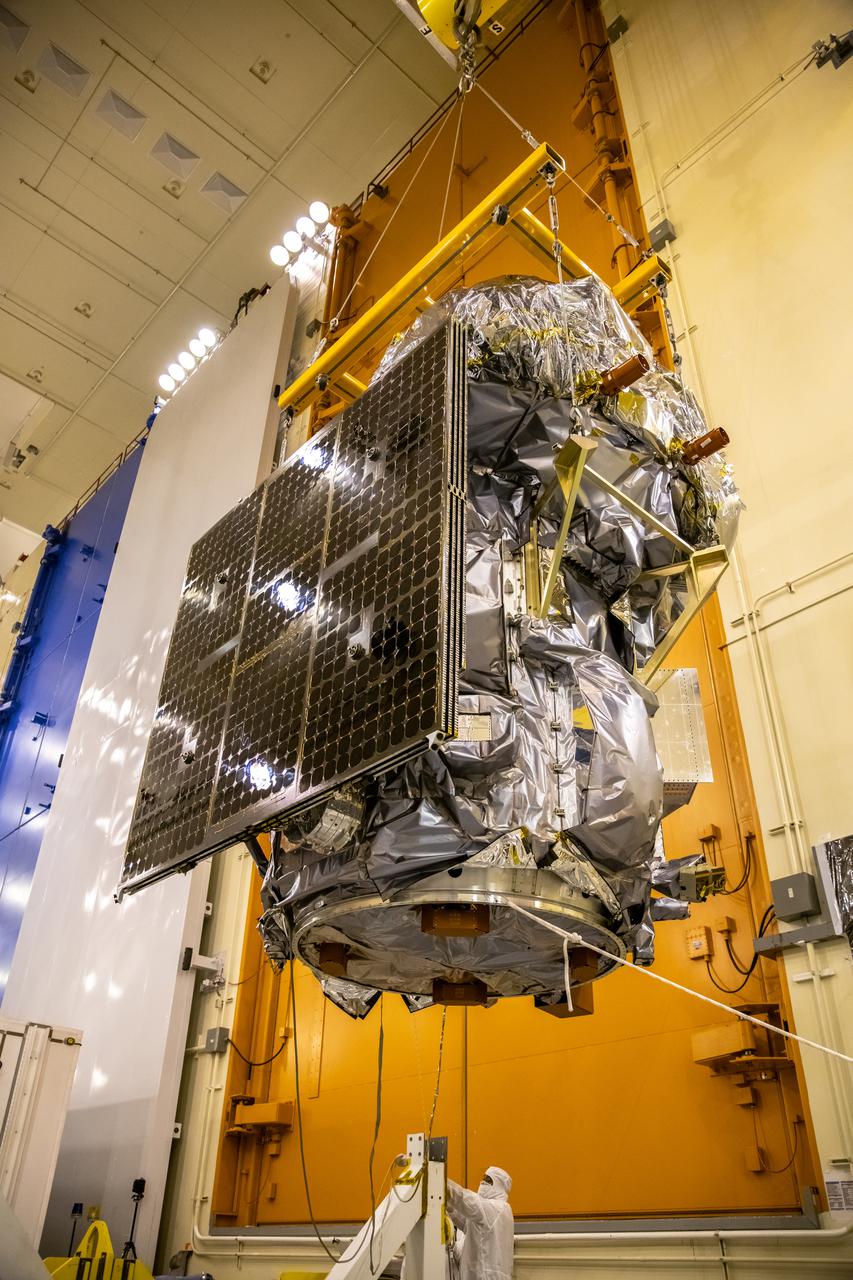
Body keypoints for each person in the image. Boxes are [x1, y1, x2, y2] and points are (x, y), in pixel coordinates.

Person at [446, 1166, 514, 1280]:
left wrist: (440, 1182)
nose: (482, 1182)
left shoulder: (498, 1208)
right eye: (483, 1178)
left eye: (488, 1180)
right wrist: (448, 1206)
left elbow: (463, 1198)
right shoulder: (485, 1213)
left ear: (499, 1185)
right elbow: (465, 1223)